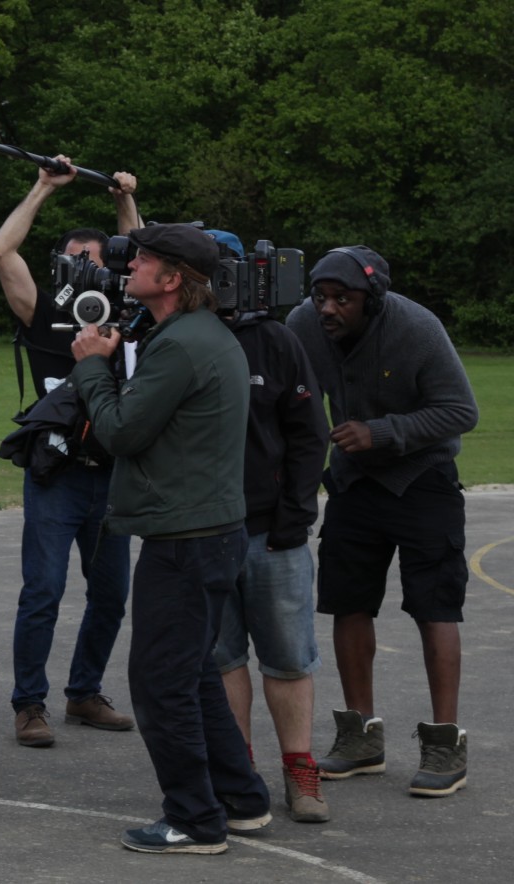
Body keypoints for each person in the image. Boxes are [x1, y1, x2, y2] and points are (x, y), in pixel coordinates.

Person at [71, 223, 271, 855]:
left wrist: (92, 370)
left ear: (174, 279)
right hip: (205, 531)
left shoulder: (181, 344)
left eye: (145, 261)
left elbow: (123, 432)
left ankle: (195, 819)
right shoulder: (196, 335)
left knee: (160, 682)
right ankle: (240, 798)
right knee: (192, 673)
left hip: (184, 538)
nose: (130, 269)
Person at [286, 246, 478, 797]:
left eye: (342, 300)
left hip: (424, 480)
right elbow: (293, 396)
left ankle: (446, 744)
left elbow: (461, 410)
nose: (327, 309)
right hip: (353, 481)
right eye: (321, 296)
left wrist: (383, 431)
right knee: (348, 602)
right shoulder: (304, 324)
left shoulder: (417, 327)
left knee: (434, 605)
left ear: (373, 300)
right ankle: (360, 738)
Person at [0, 156, 141, 747]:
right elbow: (4, 253)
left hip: (113, 477)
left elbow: (144, 254)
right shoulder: (44, 314)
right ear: (59, 270)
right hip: (56, 475)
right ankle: (30, 704)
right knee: (44, 590)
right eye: (75, 263)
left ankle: (83, 692)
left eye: (98, 264)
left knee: (111, 595)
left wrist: (125, 203)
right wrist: (42, 187)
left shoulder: (132, 316)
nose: (87, 274)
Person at [206, 230, 331, 823]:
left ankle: (301, 773)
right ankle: (240, 771)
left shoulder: (277, 342)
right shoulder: (176, 340)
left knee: (287, 659)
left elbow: (309, 433)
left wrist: (295, 517)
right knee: (223, 658)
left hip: (270, 533)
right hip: (202, 533)